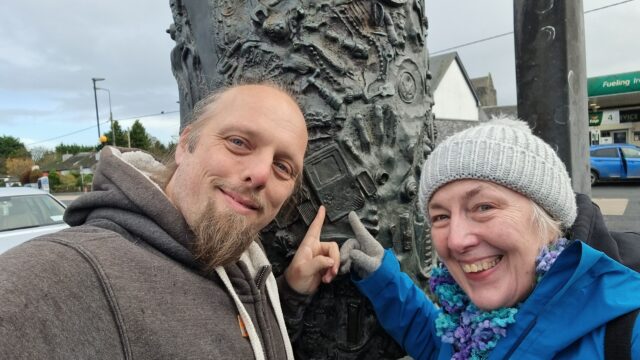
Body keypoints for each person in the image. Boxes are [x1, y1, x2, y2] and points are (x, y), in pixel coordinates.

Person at [0, 83, 339, 359]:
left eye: (283, 166)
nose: (261, 174)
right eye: (238, 143)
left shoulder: (247, 262)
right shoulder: (60, 274)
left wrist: (289, 292)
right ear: (184, 145)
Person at [339, 117, 640, 359]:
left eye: (483, 207)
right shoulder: (468, 322)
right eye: (440, 216)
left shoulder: (628, 334)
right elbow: (441, 347)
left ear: (549, 217)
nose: (456, 241)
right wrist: (383, 278)